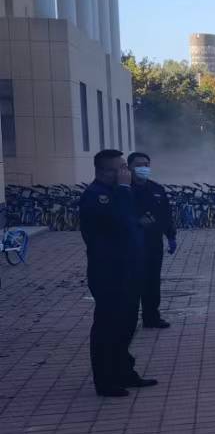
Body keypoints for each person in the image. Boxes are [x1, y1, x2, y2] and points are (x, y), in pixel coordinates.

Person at [80, 150, 152, 396]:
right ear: (104, 171)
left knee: (126, 324)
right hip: (108, 272)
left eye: (125, 168)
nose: (126, 172)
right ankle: (105, 380)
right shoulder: (96, 195)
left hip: (128, 269)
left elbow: (130, 220)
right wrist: (123, 189)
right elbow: (118, 221)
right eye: (121, 168)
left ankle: (123, 371)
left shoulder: (118, 192)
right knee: (108, 326)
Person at [127, 151, 177, 329]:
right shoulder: (123, 190)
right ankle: (129, 320)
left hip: (153, 244)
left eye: (146, 165)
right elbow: (117, 216)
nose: (143, 168)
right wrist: (136, 222)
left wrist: (171, 236)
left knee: (153, 282)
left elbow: (166, 215)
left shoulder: (156, 189)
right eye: (138, 165)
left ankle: (151, 317)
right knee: (132, 284)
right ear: (129, 167)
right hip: (131, 246)